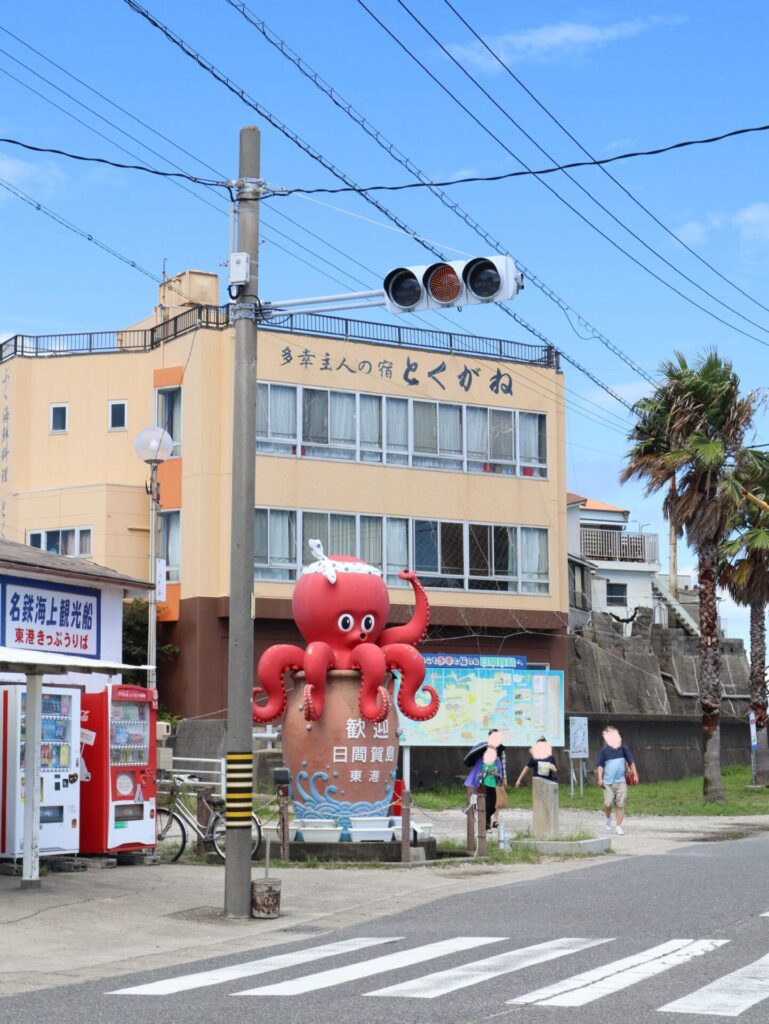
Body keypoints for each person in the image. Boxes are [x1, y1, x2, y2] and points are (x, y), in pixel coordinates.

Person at [596, 726, 637, 835]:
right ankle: (608, 818)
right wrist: (600, 778)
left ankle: (618, 826)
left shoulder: (623, 748)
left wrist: (635, 775)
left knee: (620, 803)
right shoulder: (604, 751)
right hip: (608, 783)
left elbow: (631, 762)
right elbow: (600, 765)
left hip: (621, 781)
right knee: (608, 803)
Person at [463, 728, 503, 830]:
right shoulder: (481, 757)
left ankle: (486, 825)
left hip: (492, 785)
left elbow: (500, 774)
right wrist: (480, 778)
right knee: (483, 805)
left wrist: (497, 775)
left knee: (492, 805)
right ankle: (484, 828)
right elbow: (476, 772)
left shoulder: (497, 758)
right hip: (481, 785)